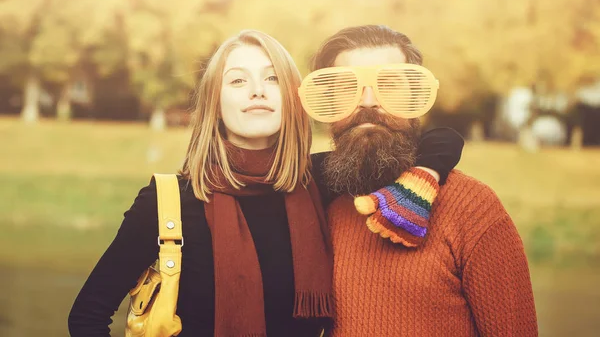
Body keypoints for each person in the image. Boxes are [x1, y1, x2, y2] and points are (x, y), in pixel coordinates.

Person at [68, 29, 461, 337]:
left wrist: (425, 176)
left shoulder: (323, 180)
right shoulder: (169, 200)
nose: (256, 90)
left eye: (271, 79)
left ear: (294, 99)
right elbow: (87, 316)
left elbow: (438, 139)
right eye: (237, 81)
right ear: (214, 103)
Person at [305, 25, 538, 336]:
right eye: (348, 87)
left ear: (417, 99)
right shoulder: (313, 202)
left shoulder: (473, 209)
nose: (368, 101)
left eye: (390, 85)